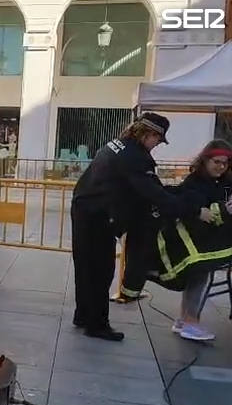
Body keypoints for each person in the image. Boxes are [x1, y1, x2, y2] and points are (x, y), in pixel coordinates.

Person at [70, 113, 214, 342]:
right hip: (99, 215)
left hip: (84, 208)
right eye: (158, 140)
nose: (157, 145)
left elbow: (144, 187)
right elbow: (153, 194)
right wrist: (195, 210)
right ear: (149, 134)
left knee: (85, 266)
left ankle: (83, 314)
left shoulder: (116, 144)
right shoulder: (135, 157)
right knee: (101, 270)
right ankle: (97, 324)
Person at [165, 140, 232, 341]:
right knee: (198, 278)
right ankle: (190, 322)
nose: (220, 166)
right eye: (216, 162)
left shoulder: (225, 182)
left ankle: (184, 320)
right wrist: (198, 212)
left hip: (208, 240)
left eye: (225, 163)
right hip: (194, 240)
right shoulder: (193, 182)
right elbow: (182, 204)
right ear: (205, 160)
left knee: (198, 278)